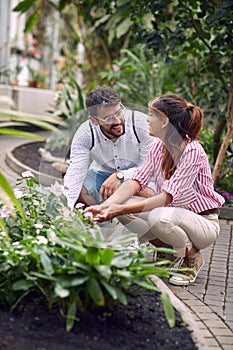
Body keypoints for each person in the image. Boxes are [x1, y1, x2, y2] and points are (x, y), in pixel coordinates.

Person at [84, 93, 225, 286]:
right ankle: (169, 249)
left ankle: (191, 257)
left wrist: (118, 210)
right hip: (172, 215)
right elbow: (136, 181)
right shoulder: (158, 147)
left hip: (202, 223)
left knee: (158, 216)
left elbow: (166, 198)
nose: (148, 120)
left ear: (165, 121)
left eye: (152, 115)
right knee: (127, 206)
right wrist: (106, 207)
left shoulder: (192, 151)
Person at [63, 86, 154, 209]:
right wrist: (66, 208)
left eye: (119, 112)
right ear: (94, 120)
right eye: (108, 118)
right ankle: (100, 219)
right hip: (101, 174)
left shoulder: (141, 124)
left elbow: (147, 168)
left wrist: (120, 176)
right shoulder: (84, 135)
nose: (117, 121)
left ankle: (119, 216)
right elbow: (75, 174)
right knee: (75, 191)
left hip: (139, 177)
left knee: (137, 192)